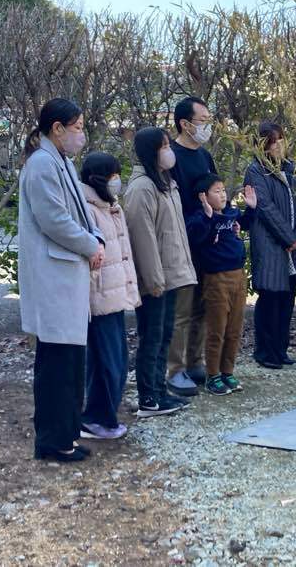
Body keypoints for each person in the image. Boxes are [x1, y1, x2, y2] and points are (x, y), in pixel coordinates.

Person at [18, 99, 104, 462]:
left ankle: (65, 434)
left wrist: (95, 239)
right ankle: (53, 441)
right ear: (57, 128)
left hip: (68, 273)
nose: (81, 134)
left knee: (69, 362)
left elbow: (82, 214)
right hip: (55, 275)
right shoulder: (41, 164)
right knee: (56, 364)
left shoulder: (61, 162)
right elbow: (53, 219)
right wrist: (89, 245)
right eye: (78, 126)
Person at [123, 127, 197, 416]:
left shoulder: (165, 183)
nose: (169, 151)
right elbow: (144, 238)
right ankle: (148, 397)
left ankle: (159, 391)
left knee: (164, 335)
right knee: (152, 337)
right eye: (164, 145)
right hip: (156, 280)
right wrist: (154, 280)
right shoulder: (142, 188)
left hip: (170, 275)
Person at [79, 152, 140, 440]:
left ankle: (103, 416)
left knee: (116, 359)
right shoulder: (87, 209)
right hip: (99, 297)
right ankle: (96, 419)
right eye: (114, 175)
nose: (118, 181)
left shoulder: (111, 206)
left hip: (115, 294)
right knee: (107, 362)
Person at [243, 121, 296, 369]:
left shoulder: (290, 170)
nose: (280, 145)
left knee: (288, 297)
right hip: (271, 244)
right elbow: (265, 208)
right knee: (271, 297)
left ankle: (281, 349)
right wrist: (289, 237)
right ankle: (265, 352)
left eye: (282, 139)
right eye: (275, 141)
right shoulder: (255, 171)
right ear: (264, 145)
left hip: (292, 246)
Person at [185, 173, 257, 396]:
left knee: (235, 328)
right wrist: (208, 218)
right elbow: (195, 239)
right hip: (216, 279)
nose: (223, 194)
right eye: (217, 191)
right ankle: (213, 375)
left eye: (223, 190)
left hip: (238, 276)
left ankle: (228, 371)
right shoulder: (199, 218)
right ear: (203, 196)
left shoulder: (230, 213)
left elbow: (244, 223)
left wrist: (252, 208)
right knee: (217, 329)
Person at [165, 97, 218, 397]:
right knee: (181, 310)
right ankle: (174, 370)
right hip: (181, 240)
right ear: (184, 123)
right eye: (202, 120)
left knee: (201, 306)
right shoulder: (171, 157)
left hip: (206, 240)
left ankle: (195, 362)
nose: (206, 126)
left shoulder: (205, 156)